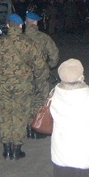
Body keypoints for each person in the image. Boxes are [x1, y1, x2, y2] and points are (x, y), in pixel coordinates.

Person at [0, 14, 44, 160]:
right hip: (23, 85)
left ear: (8, 25)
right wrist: (35, 77)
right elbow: (40, 65)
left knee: (5, 115)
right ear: (21, 26)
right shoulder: (29, 43)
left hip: (4, 85)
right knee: (20, 115)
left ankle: (6, 148)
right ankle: (16, 148)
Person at [24, 11, 59, 139]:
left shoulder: (20, 38)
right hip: (40, 74)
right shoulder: (44, 38)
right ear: (36, 22)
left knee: (26, 100)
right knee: (40, 100)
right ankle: (36, 128)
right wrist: (48, 66)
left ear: (25, 23)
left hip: (23, 75)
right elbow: (54, 55)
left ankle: (27, 127)